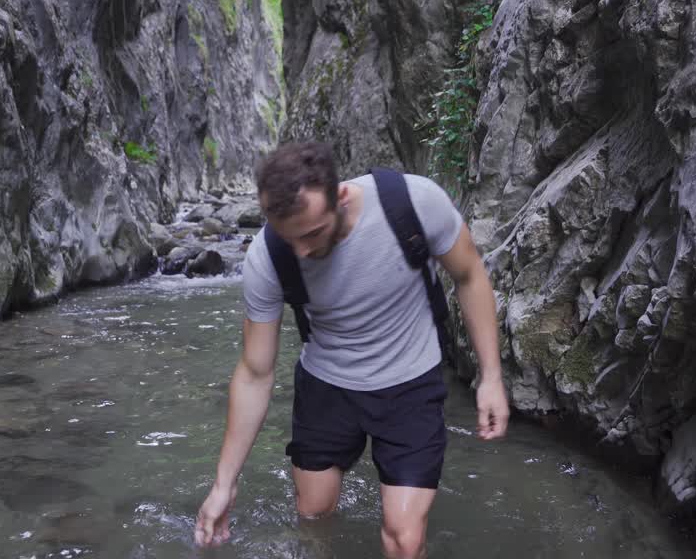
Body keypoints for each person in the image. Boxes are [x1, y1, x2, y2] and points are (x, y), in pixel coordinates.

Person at [193, 141, 509, 558]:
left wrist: (491, 377)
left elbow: (469, 276)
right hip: (328, 387)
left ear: (340, 196)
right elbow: (255, 372)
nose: (302, 252)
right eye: (291, 241)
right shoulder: (266, 259)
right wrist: (224, 483)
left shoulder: (413, 202)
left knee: (404, 537)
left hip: (410, 383)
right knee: (314, 514)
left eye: (311, 234)